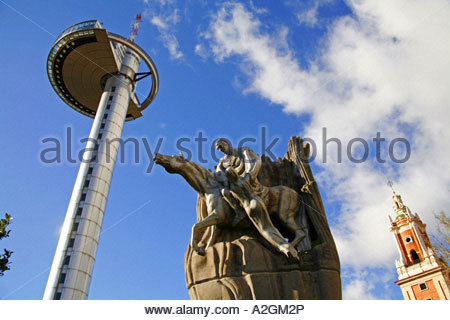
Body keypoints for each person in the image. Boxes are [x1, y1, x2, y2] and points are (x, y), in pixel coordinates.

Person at [214, 138, 299, 260]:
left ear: (227, 143)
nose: (220, 149)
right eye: (218, 149)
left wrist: (249, 176)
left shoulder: (243, 151)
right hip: (236, 191)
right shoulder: (222, 162)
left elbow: (255, 163)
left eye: (221, 146)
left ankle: (285, 247)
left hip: (250, 185)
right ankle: (238, 211)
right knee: (224, 192)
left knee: (265, 226)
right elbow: (219, 175)